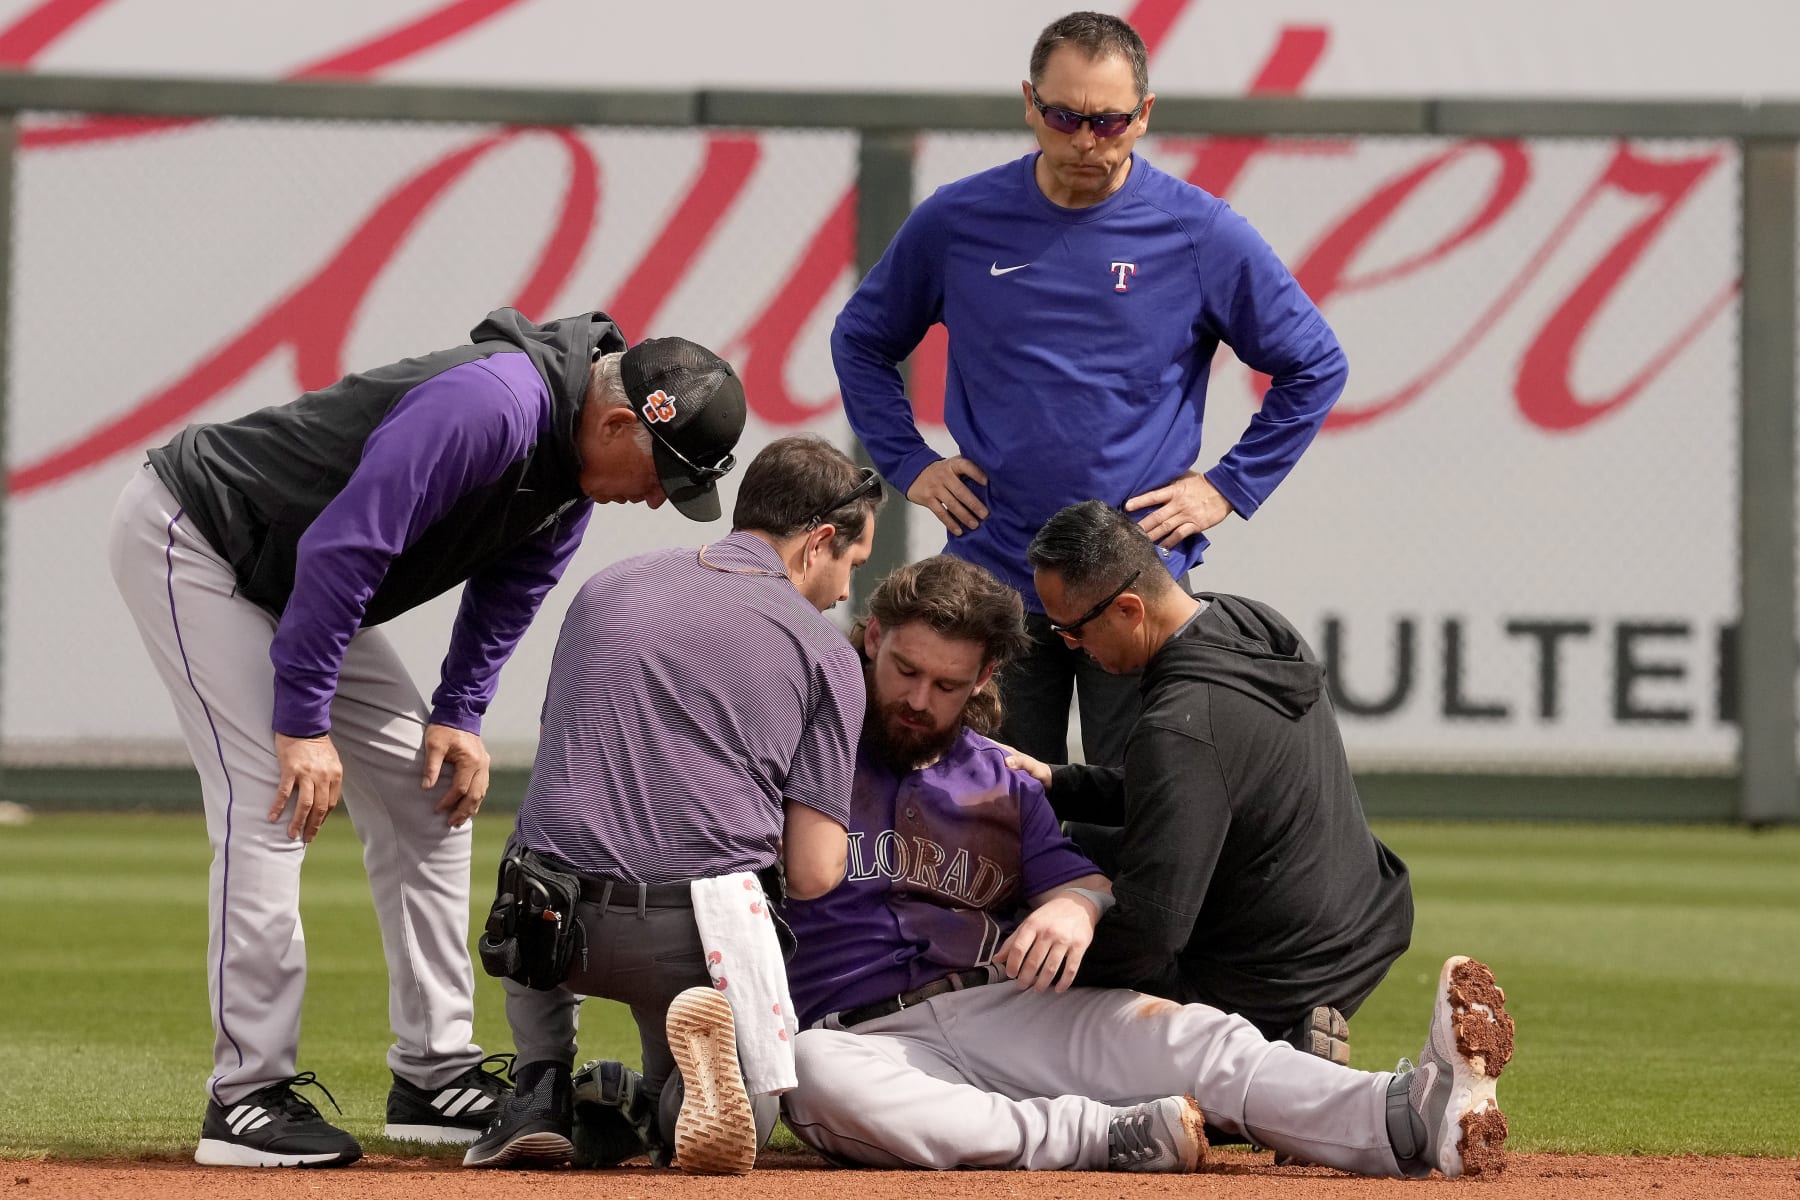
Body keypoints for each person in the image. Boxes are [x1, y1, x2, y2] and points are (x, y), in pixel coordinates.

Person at [105, 308, 747, 1168]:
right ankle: (246, 1095)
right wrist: (302, 722)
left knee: (431, 796)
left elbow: (513, 587)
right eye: (664, 471)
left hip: (295, 573)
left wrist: (459, 713)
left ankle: (433, 1073)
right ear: (616, 422)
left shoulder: (571, 470)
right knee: (273, 801)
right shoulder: (490, 406)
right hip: (200, 538)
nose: (661, 496)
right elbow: (347, 547)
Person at [778, 556, 1512, 1178]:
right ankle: (1104, 1135)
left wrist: (1079, 904)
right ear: (872, 638)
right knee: (810, 1074)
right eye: (905, 671)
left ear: (982, 678)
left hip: (999, 1004)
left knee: (1196, 1038)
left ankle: (1407, 1112)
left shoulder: (998, 779)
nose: (918, 699)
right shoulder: (802, 750)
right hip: (860, 1038)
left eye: (946, 685)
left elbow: (1079, 879)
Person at [833, 9, 1348, 769]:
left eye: (1108, 121)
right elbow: (860, 339)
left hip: (1135, 585)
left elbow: (1316, 363)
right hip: (996, 578)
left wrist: (1227, 487)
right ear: (1029, 104)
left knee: (1136, 807)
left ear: (1144, 115)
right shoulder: (958, 220)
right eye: (1064, 117)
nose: (1085, 140)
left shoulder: (1198, 231)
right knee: (989, 808)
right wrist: (911, 464)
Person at [461, 435, 885, 1173]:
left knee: (539, 838)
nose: (849, 588)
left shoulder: (610, 587)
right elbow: (815, 873)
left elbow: (564, 752)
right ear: (819, 542)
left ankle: (540, 1084)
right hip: (694, 931)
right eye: (853, 563)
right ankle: (660, 1104)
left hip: (550, 922)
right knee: (739, 1116)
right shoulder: (827, 653)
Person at [1015, 500, 1413, 1059]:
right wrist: (1057, 782)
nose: (1070, 646)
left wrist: (1028, 949)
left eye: (1072, 631)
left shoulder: (1180, 726)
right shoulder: (1251, 622)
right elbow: (1190, 789)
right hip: (1359, 930)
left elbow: (1149, 936)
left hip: (1267, 977)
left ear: (1128, 610)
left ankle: (1271, 1053)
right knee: (1088, 843)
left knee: (1042, 1021)